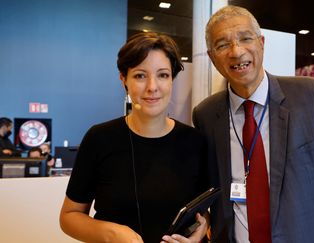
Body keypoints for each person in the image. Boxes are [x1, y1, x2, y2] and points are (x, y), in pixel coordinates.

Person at [192, 5, 314, 243]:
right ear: (211, 57)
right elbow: (208, 193)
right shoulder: (206, 115)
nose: (236, 51)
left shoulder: (310, 96)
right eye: (222, 45)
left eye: (245, 38)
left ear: (261, 42)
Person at [59, 32, 209, 243]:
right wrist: (112, 233)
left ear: (172, 79)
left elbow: (203, 211)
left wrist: (201, 230)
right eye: (140, 75)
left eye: (163, 75)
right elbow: (69, 217)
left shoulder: (196, 142)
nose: (152, 87)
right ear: (124, 80)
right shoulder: (99, 138)